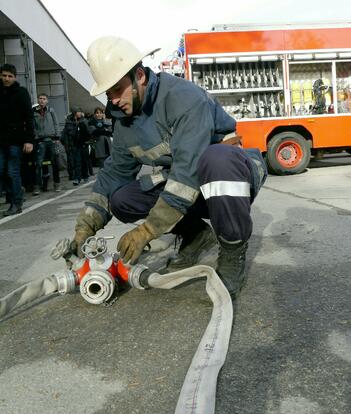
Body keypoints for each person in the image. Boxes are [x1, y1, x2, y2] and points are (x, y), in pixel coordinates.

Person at [69, 36, 267, 299]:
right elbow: (113, 174)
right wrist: (85, 226)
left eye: (118, 90)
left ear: (139, 75)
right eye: (109, 94)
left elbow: (187, 172)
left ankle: (232, 251)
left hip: (229, 178)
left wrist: (148, 230)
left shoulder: (182, 98)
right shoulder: (124, 122)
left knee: (217, 158)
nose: (114, 100)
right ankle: (196, 236)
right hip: (190, 188)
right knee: (122, 199)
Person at [0, 64, 34, 216]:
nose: (6, 78)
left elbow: (29, 117)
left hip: (16, 139)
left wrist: (29, 140)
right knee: (1, 171)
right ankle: (15, 193)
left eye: (10, 76)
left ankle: (16, 203)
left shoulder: (21, 93)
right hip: (1, 139)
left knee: (12, 171)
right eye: (4, 75)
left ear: (15, 77)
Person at [32, 93, 61, 194]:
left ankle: (57, 184)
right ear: (38, 100)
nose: (42, 100)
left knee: (55, 162)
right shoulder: (34, 112)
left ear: (47, 101)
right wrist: (36, 138)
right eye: (40, 98)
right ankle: (37, 187)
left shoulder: (51, 110)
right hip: (40, 141)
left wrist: (57, 137)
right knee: (38, 164)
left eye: (44, 99)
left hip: (52, 140)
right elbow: (33, 126)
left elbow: (56, 123)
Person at [60, 107, 91, 186]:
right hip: (74, 145)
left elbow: (88, 132)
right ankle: (77, 178)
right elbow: (65, 134)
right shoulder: (69, 122)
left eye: (80, 111)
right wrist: (66, 144)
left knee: (84, 161)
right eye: (78, 111)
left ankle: (85, 176)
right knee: (77, 162)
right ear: (74, 112)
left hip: (83, 144)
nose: (80, 113)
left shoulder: (84, 121)